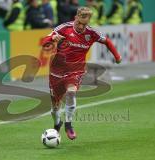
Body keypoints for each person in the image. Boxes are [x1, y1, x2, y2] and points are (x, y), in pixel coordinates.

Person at [41, 7, 122, 140]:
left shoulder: (92, 33)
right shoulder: (63, 28)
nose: (81, 26)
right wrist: (53, 38)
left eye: (84, 24)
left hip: (75, 70)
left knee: (71, 92)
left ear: (88, 21)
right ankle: (57, 124)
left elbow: (107, 41)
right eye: (79, 23)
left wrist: (117, 56)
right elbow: (44, 42)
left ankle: (68, 124)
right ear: (76, 18)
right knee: (55, 107)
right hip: (56, 71)